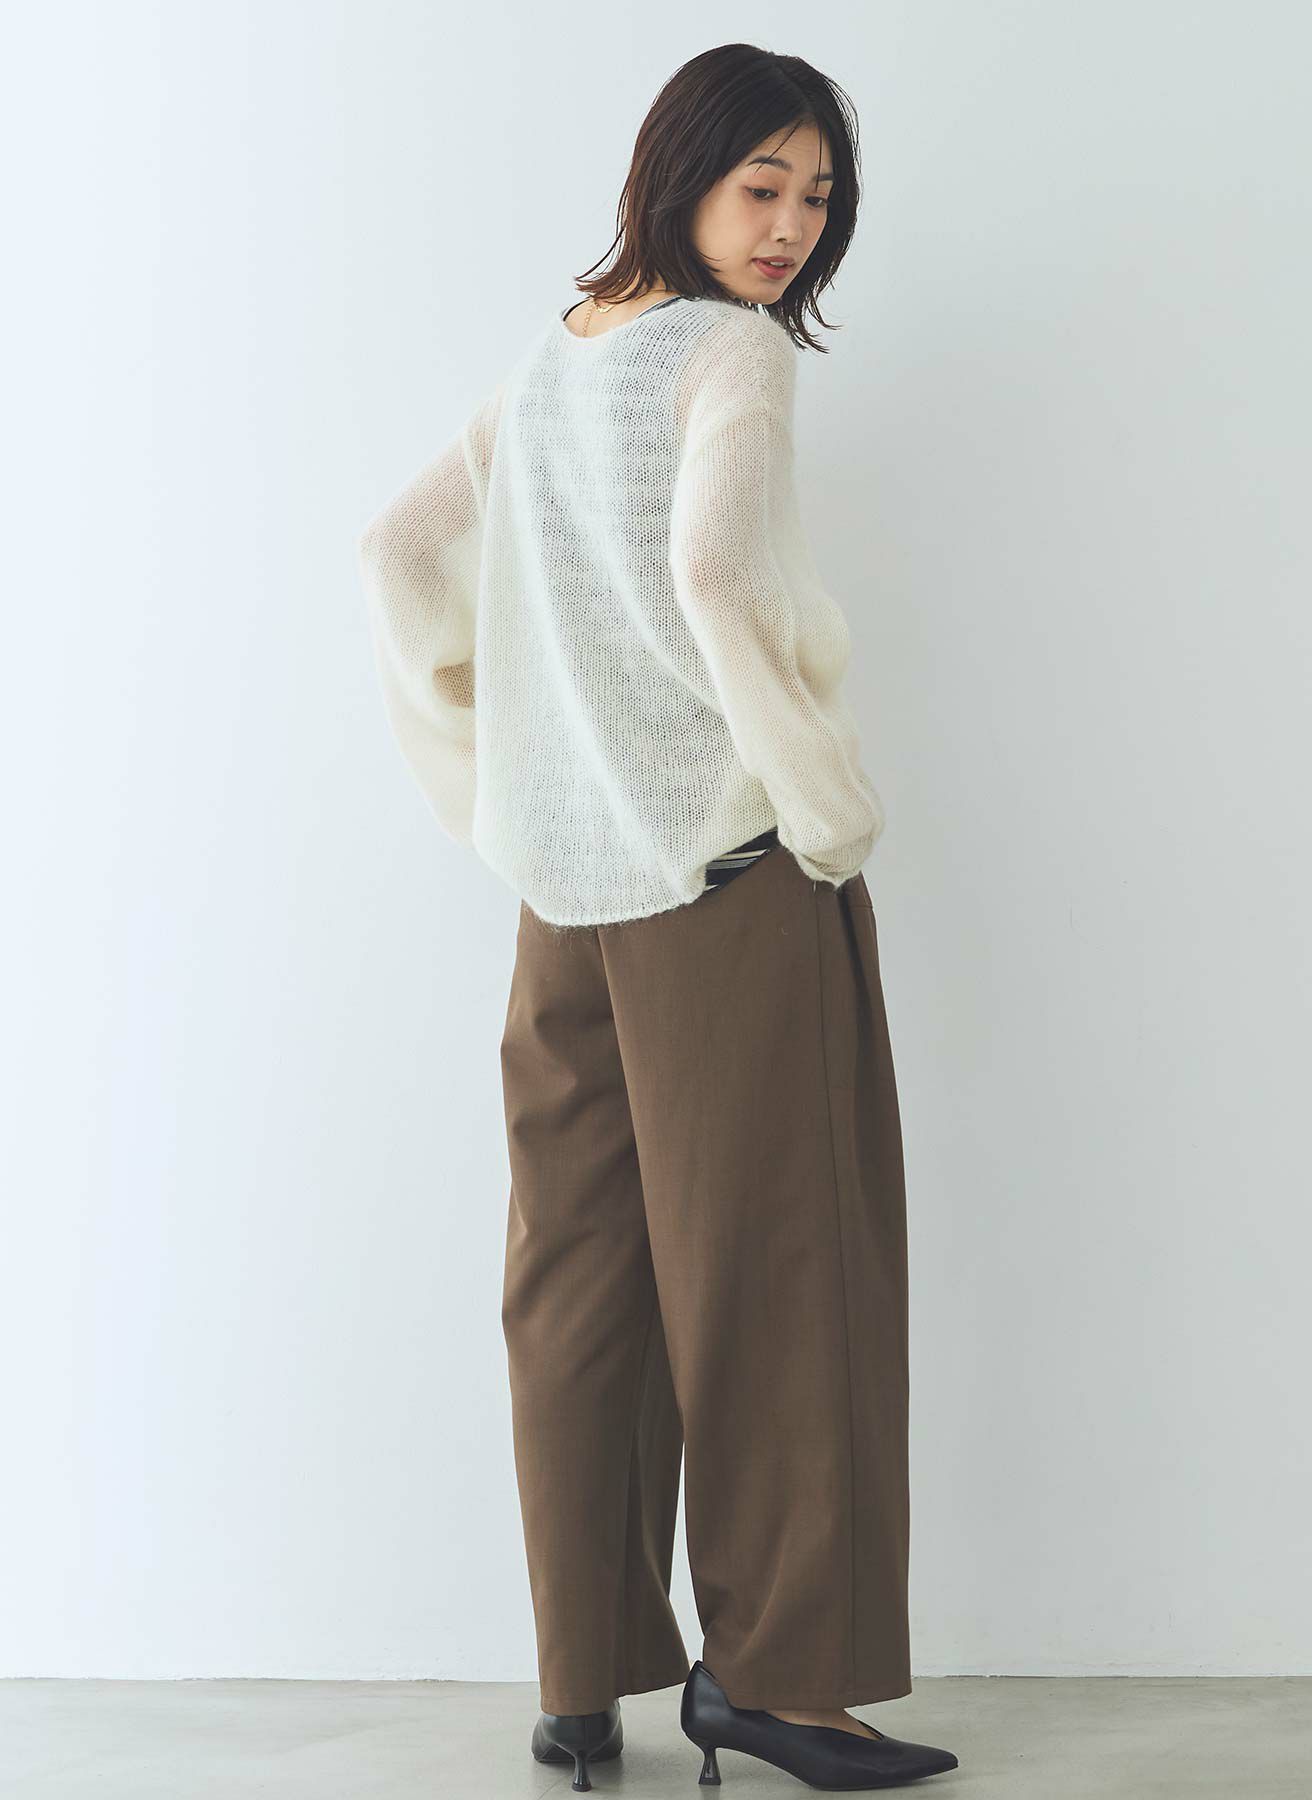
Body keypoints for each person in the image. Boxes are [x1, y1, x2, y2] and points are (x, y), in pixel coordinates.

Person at [356, 42, 957, 1794]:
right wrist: (826, 805)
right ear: (679, 172)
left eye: (819, 198)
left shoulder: (559, 360)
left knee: (578, 1282)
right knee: (778, 1277)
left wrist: (502, 781)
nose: (791, 229)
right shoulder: (730, 355)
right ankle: (779, 1685)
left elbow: (396, 554)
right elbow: (715, 572)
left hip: (564, 903)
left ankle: (581, 1677)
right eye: (763, 185)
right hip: (721, 892)